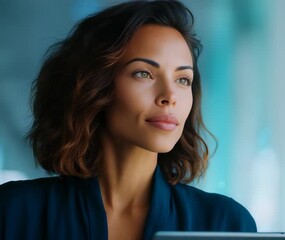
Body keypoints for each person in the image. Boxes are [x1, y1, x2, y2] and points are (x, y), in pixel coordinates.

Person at [0, 1, 257, 239]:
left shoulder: (225, 223)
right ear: (95, 87)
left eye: (183, 80)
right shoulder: (13, 213)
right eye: (144, 73)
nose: (169, 96)